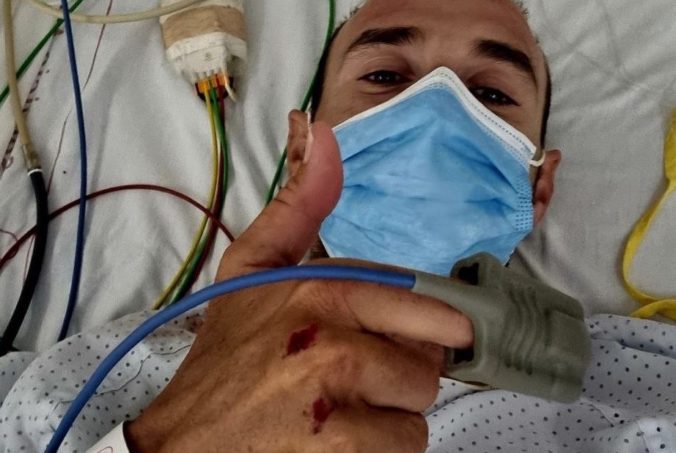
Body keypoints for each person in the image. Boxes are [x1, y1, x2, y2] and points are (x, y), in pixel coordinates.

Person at [1, 0, 675, 452]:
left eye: (491, 94)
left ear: (539, 185)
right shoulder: (112, 369)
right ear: (302, 150)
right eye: (385, 75)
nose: (437, 114)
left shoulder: (637, 378)